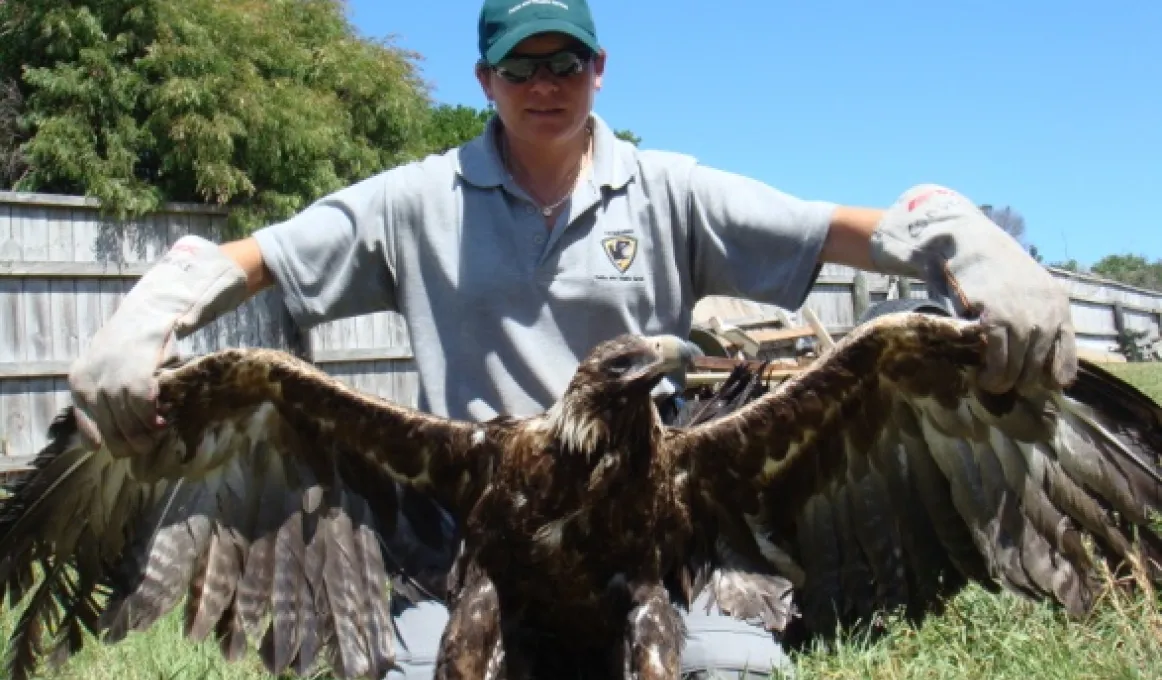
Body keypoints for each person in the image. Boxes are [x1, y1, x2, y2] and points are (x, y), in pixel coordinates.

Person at [67, 0, 1077, 677]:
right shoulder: (416, 200)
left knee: (738, 666)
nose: (542, 80)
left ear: (599, 70)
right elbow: (265, 256)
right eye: (519, 64)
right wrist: (157, 305)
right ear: (486, 79)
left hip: (658, 526)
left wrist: (954, 231)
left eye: (564, 60)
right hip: (467, 534)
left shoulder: (669, 187)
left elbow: (836, 229)